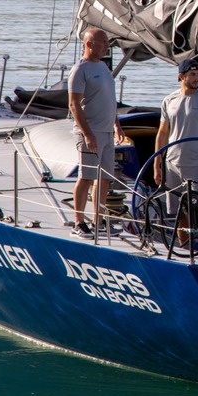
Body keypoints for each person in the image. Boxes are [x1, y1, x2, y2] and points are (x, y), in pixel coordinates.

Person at [153, 58, 198, 244]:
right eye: (192, 74)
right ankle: (184, 248)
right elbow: (162, 133)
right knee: (178, 212)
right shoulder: (169, 100)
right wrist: (157, 164)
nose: (196, 78)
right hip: (172, 164)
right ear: (181, 76)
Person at [68, 27, 124, 239]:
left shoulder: (103, 68)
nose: (107, 46)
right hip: (90, 133)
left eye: (107, 42)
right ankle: (78, 222)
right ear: (89, 44)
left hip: (107, 132)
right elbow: (74, 105)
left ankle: (98, 221)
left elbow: (111, 100)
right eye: (103, 42)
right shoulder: (80, 70)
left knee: (105, 178)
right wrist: (88, 134)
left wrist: (117, 125)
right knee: (87, 177)